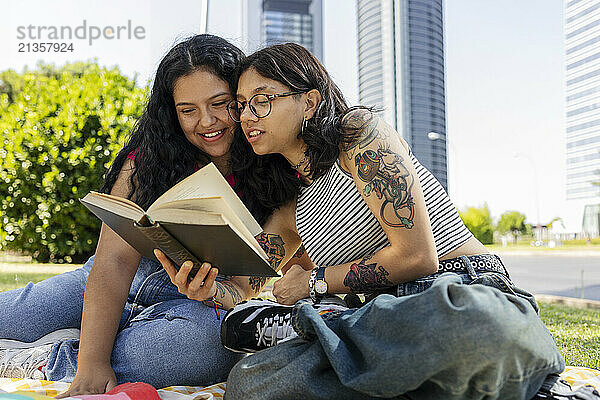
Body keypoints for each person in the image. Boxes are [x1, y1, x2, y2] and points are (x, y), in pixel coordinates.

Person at [215, 43, 565, 399]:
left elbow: (417, 257)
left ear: (309, 101)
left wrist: (314, 283)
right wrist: (206, 286)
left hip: (455, 291)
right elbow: (242, 287)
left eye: (261, 100)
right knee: (250, 384)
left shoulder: (358, 136)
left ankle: (321, 329)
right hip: (380, 318)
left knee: (481, 328)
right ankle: (340, 334)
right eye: (241, 105)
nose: (246, 116)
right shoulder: (289, 210)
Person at [0, 34, 296, 395]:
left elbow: (243, 288)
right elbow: (113, 264)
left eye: (220, 104)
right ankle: (92, 343)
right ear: (172, 113)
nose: (207, 122)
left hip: (191, 303)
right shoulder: (149, 160)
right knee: (9, 317)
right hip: (124, 280)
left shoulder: (279, 173)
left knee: (204, 349)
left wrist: (211, 291)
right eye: (188, 110)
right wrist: (94, 363)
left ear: (242, 100)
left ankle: (49, 360)